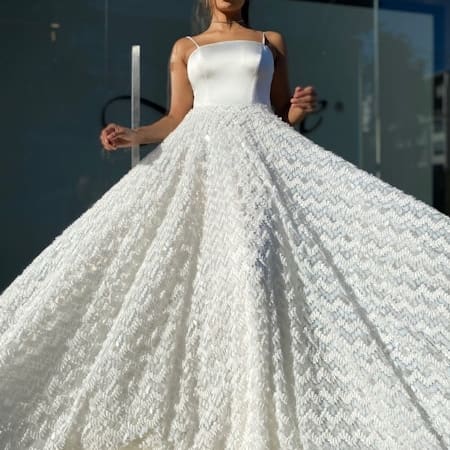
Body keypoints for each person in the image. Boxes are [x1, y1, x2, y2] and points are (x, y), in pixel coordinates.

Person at [0, 0, 449, 449]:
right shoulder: (186, 47)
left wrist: (298, 111)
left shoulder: (270, 41)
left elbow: (280, 117)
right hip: (204, 162)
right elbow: (178, 118)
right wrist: (132, 136)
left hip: (260, 161)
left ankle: (259, 410)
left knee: (254, 266)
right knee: (200, 272)